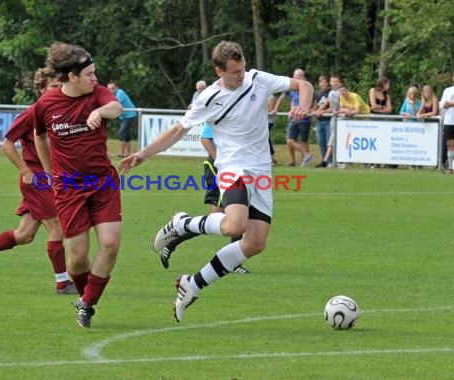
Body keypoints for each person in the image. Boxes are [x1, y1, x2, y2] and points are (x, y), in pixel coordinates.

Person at [119, 41, 313, 322]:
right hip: (233, 166)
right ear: (219, 71)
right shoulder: (208, 98)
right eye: (234, 72)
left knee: (255, 243)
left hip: (261, 172)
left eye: (243, 68)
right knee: (235, 224)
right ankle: (181, 224)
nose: (241, 75)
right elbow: (177, 131)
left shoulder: (258, 79)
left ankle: (193, 284)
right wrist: (142, 154)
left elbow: (303, 86)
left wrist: (304, 107)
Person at [0, 68, 76, 295]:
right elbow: (7, 144)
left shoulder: (58, 113)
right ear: (41, 88)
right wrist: (26, 170)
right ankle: (63, 284)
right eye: (52, 87)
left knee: (25, 235)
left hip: (51, 178)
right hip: (38, 180)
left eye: (60, 87)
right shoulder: (33, 113)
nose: (57, 91)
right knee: (57, 229)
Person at [33, 42, 123, 328]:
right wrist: (49, 173)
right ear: (72, 76)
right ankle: (86, 295)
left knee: (109, 243)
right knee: (78, 258)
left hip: (102, 183)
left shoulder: (97, 94)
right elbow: (39, 136)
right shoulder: (46, 104)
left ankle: (87, 303)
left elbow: (116, 106)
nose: (95, 79)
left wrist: (101, 112)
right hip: (68, 188)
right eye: (89, 74)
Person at [159, 122, 250, 274]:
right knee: (218, 217)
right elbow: (205, 138)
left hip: (235, 169)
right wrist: (220, 161)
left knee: (237, 214)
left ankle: (174, 239)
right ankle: (176, 235)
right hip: (217, 168)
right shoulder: (222, 108)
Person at [286, 69, 313, 167]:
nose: (297, 77)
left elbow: (312, 103)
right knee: (290, 140)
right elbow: (293, 101)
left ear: (303, 77)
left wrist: (307, 110)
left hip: (304, 119)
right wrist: (291, 109)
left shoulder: (307, 87)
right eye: (295, 75)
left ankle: (304, 162)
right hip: (294, 117)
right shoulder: (293, 89)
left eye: (299, 75)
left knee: (304, 141)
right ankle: (306, 155)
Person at [315, 74, 342, 168]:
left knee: (332, 141)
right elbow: (330, 107)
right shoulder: (331, 94)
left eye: (336, 81)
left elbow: (343, 105)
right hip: (333, 119)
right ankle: (326, 162)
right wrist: (321, 111)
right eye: (333, 81)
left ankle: (333, 161)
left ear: (339, 82)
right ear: (331, 82)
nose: (334, 83)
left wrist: (337, 111)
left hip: (342, 119)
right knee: (327, 142)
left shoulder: (341, 92)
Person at [107, 80, 137, 158]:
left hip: (130, 115)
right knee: (127, 135)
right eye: (109, 89)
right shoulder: (114, 94)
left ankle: (121, 154)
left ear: (116, 88)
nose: (110, 90)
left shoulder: (120, 93)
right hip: (125, 116)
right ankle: (128, 154)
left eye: (112, 88)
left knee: (122, 133)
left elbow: (114, 104)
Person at [313, 75, 331, 161]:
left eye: (324, 82)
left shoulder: (330, 92)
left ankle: (330, 161)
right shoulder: (317, 93)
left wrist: (320, 111)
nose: (323, 84)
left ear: (328, 83)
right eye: (321, 82)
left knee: (329, 142)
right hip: (319, 121)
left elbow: (327, 103)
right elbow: (315, 105)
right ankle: (324, 160)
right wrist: (315, 111)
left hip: (328, 120)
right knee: (321, 142)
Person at [439, 73, 454, 171]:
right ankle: (449, 165)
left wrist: (450, 103)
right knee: (448, 144)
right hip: (449, 121)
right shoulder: (447, 90)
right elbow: (442, 105)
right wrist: (447, 104)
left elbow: (448, 103)